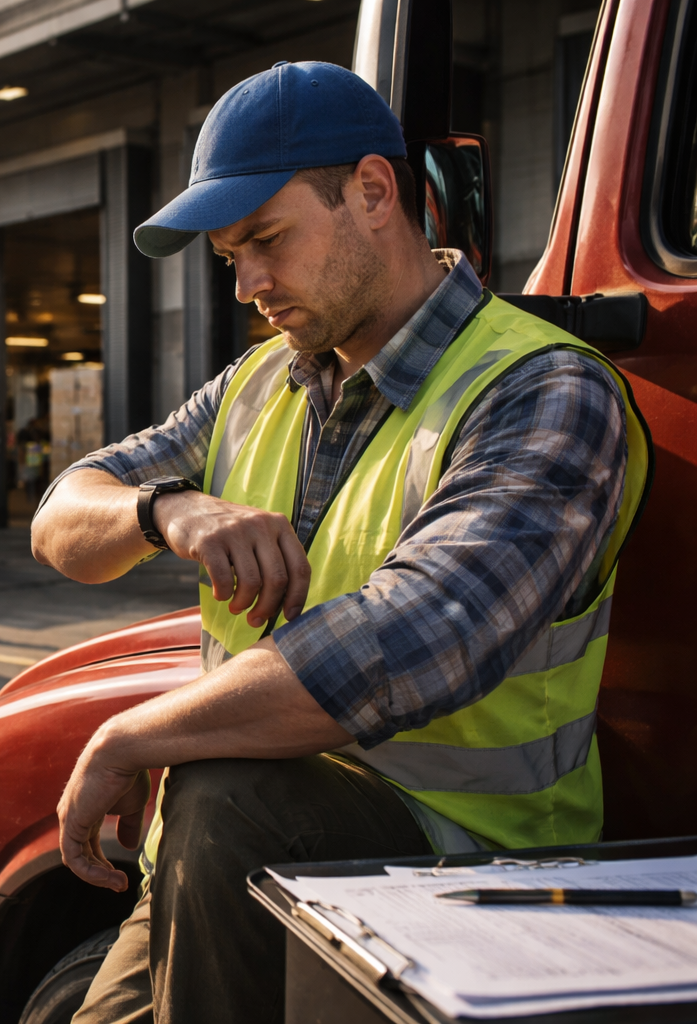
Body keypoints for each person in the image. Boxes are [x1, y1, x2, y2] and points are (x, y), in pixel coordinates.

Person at [32, 61, 650, 1024]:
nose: (250, 285)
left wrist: (134, 733)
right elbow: (62, 517)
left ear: (372, 191)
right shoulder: (254, 384)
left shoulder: (544, 391)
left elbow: (421, 635)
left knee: (223, 786)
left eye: (267, 241)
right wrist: (169, 510)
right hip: (227, 862)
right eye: (230, 256)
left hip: (464, 884)